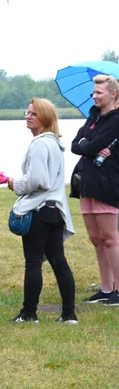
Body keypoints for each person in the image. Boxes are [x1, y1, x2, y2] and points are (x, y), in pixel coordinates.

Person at [8, 98, 77, 324]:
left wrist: (15, 183)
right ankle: (69, 314)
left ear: (45, 118)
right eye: (27, 112)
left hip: (39, 211)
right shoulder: (55, 143)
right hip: (56, 210)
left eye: (33, 114)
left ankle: (29, 314)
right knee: (59, 262)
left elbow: (40, 181)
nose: (28, 117)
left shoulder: (39, 144)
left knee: (33, 263)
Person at [70, 74, 119, 306]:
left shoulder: (116, 119)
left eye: (99, 92)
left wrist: (87, 146)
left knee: (110, 238)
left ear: (113, 94)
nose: (94, 96)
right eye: (94, 91)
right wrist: (87, 146)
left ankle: (118, 289)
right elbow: (75, 144)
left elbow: (91, 144)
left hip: (107, 183)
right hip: (86, 182)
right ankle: (105, 288)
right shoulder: (93, 116)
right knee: (96, 239)